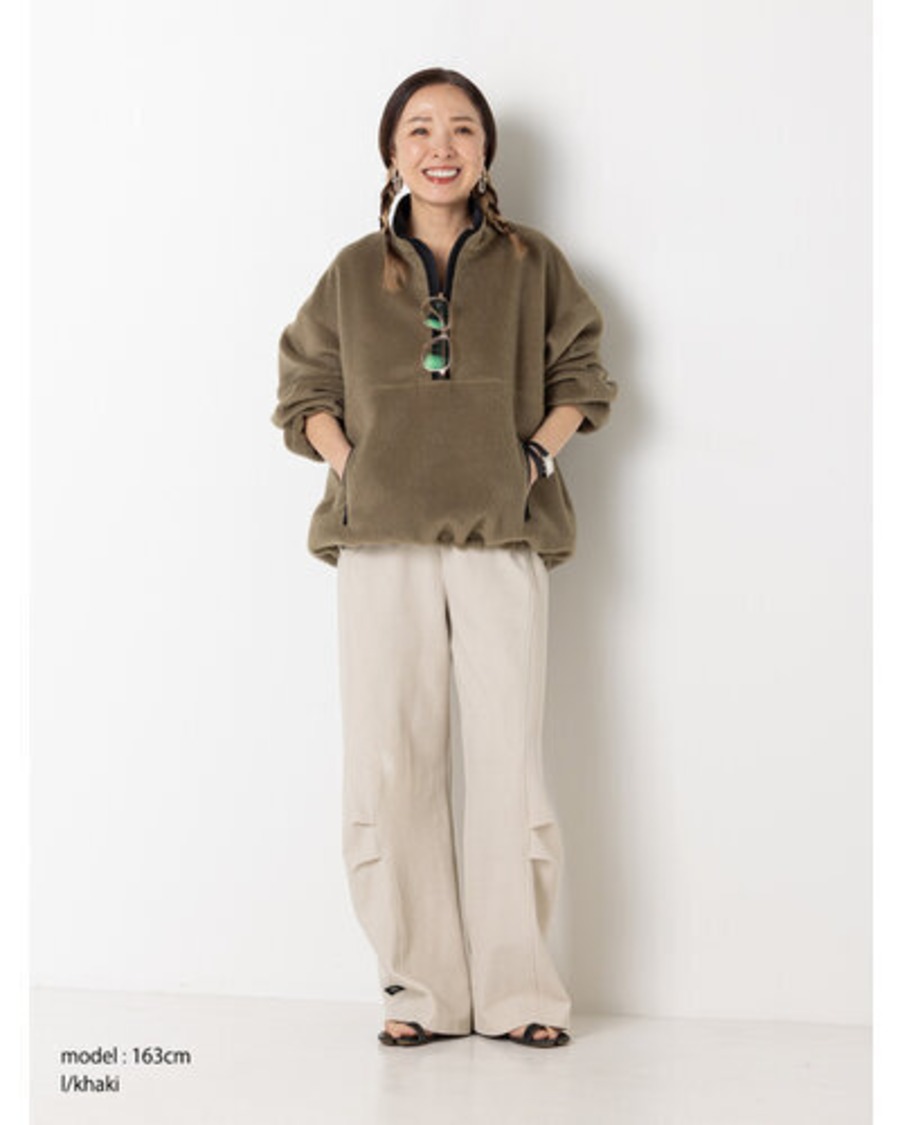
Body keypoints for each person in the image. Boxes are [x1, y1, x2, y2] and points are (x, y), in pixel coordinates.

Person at [272, 67, 617, 1049]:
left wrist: (532, 456)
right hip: (379, 543)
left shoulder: (533, 262)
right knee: (391, 765)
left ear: (485, 151)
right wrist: (357, 465)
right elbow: (303, 385)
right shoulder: (352, 271)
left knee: (509, 763)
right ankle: (421, 992)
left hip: (500, 535)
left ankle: (520, 995)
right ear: (392, 152)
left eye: (461, 128)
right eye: (419, 129)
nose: (441, 146)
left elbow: (584, 372)